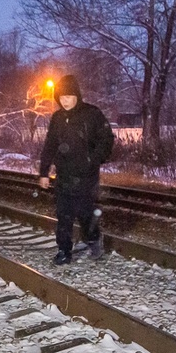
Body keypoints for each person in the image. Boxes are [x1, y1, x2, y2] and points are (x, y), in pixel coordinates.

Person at [38, 74, 115, 265]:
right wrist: (43, 172)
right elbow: (50, 145)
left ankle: (93, 238)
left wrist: (93, 159)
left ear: (77, 95)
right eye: (61, 97)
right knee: (63, 214)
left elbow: (107, 140)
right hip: (64, 174)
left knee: (85, 213)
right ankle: (64, 250)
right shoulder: (57, 118)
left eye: (69, 96)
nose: (65, 101)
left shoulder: (92, 114)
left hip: (86, 176)